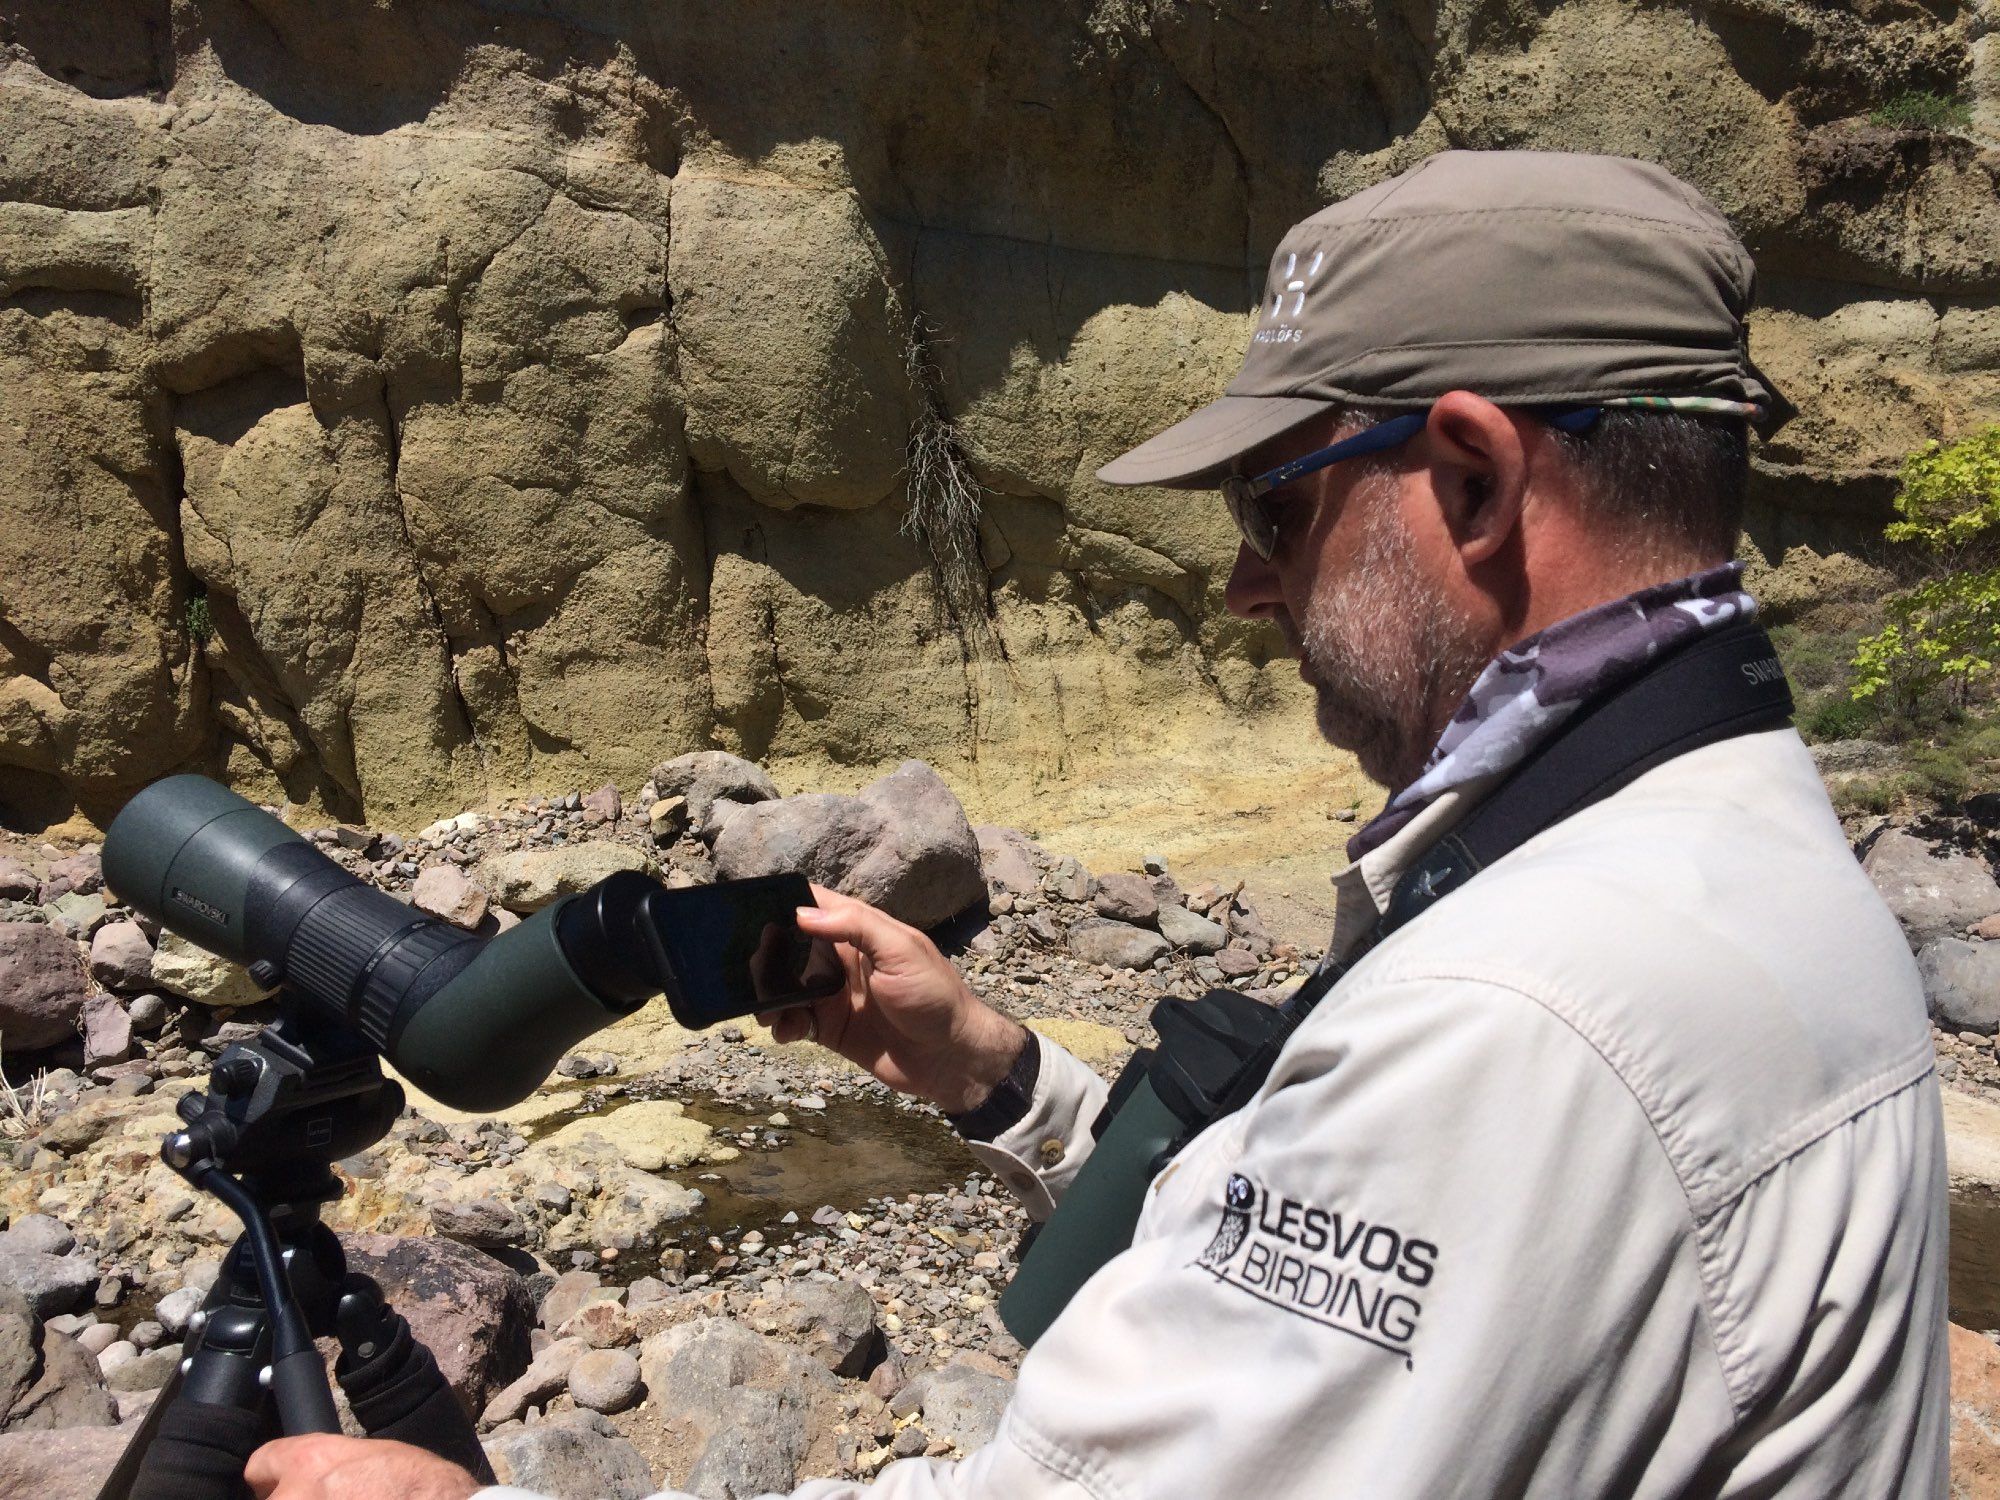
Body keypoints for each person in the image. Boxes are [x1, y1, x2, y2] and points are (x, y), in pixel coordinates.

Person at [245, 150, 1947, 1500]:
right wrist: (1006, 1079)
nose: (1240, 584)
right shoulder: (1706, 828)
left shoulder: (1530, 1014)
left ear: (1481, 484)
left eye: (1279, 507)